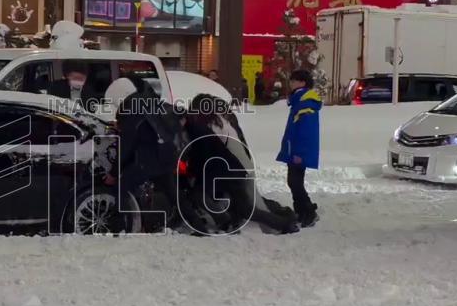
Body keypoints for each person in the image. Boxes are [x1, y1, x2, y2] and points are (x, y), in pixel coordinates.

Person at [183, 94, 298, 234]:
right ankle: (279, 220)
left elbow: (210, 151)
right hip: (238, 164)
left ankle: (283, 221)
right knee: (248, 203)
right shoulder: (220, 120)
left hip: (234, 167)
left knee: (251, 205)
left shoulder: (209, 126)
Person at [103, 77, 183, 216]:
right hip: (167, 154)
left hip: (150, 160)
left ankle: (123, 225)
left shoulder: (129, 111)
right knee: (172, 194)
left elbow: (126, 148)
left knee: (121, 187)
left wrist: (113, 174)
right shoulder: (146, 101)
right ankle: (196, 223)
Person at [276, 70, 322, 227]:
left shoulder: (305, 103)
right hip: (294, 149)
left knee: (295, 182)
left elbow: (305, 131)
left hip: (298, 151)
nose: (291, 83)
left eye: (294, 80)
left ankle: (308, 212)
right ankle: (302, 212)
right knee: (294, 181)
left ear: (303, 82)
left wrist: (298, 153)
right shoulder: (300, 100)